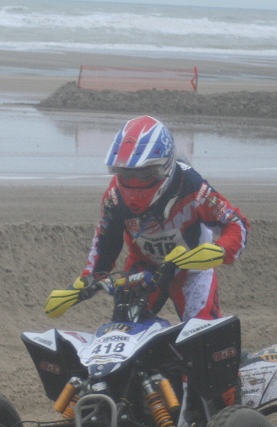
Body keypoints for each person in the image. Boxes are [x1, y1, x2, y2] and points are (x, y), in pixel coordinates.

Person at [75, 115, 249, 321]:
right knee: (122, 331)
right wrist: (84, 283)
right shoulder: (114, 197)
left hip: (192, 270)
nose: (133, 181)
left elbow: (237, 224)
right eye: (125, 173)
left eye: (143, 174)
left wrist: (218, 251)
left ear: (164, 166)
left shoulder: (192, 186)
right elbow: (105, 245)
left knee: (203, 337)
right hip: (144, 270)